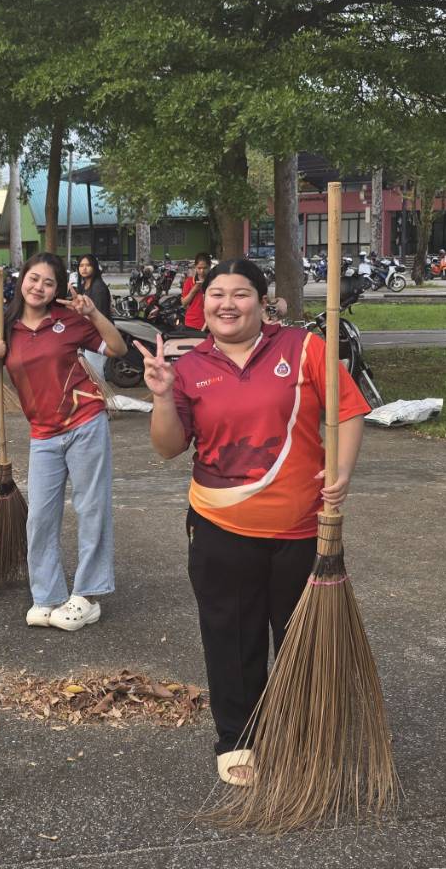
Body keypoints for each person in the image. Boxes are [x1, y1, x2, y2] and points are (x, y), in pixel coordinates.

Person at [140, 258, 369, 788]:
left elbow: (349, 411)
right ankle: (238, 738)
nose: (227, 303)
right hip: (220, 527)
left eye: (240, 293)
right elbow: (168, 447)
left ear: (263, 302)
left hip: (301, 528)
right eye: (217, 293)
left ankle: (304, 732)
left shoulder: (302, 347)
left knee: (302, 639)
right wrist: (159, 395)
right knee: (230, 635)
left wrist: (341, 474)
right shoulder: (190, 365)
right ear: (204, 305)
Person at [0, 252, 128, 632]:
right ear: (21, 279)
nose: (39, 287)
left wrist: (93, 313)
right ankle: (47, 595)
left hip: (84, 422)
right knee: (41, 517)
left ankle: (89, 595)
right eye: (33, 279)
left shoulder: (70, 320)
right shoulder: (3, 324)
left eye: (48, 282)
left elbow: (117, 349)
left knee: (91, 506)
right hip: (42, 434)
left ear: (57, 288)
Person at [73, 254, 112, 377]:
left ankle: (102, 395)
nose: (84, 268)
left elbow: (100, 315)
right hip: (89, 333)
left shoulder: (98, 287)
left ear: (94, 267)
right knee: (91, 370)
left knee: (95, 372)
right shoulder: (84, 285)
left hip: (99, 334)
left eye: (88, 265)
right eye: (81, 265)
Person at [179, 252, 212, 331]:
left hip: (211, 323)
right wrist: (194, 290)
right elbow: (184, 303)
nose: (202, 271)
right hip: (192, 323)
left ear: (210, 267)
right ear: (195, 267)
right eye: (199, 268)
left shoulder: (214, 281)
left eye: (205, 268)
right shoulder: (189, 281)